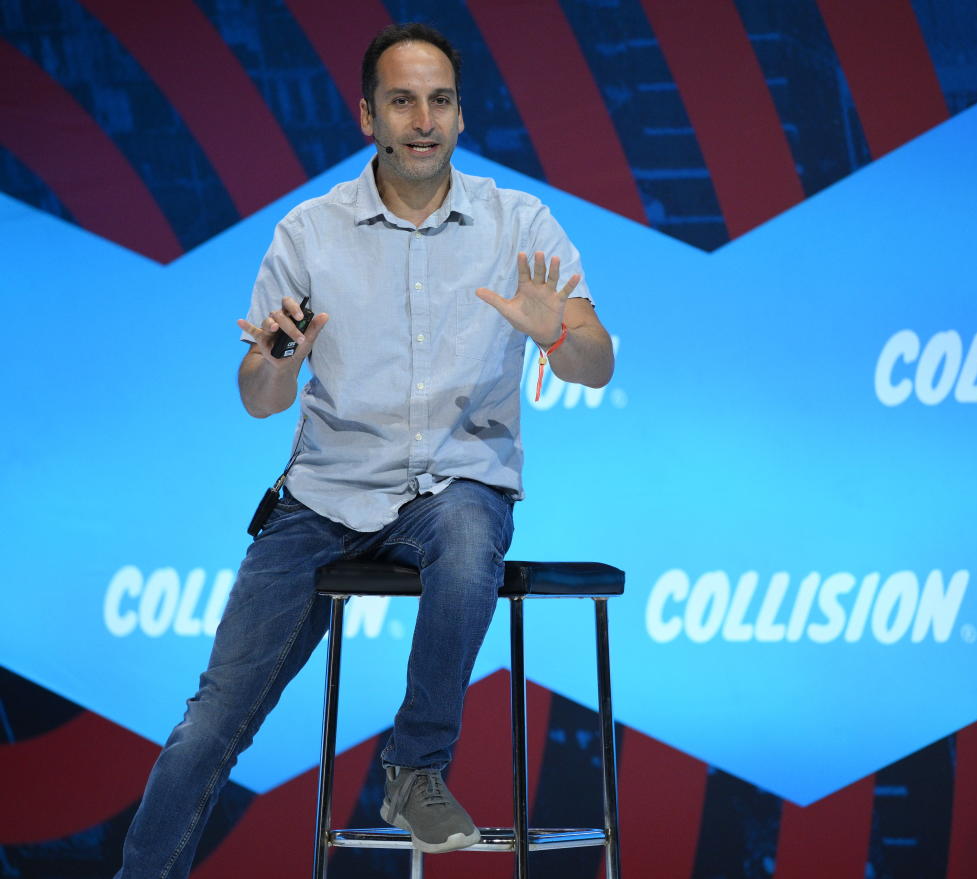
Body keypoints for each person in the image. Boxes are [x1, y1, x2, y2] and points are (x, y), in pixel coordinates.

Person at [114, 21, 614, 878]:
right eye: (402, 101)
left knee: (466, 540)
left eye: (440, 101)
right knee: (209, 721)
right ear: (366, 117)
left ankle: (413, 767)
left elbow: (597, 364)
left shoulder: (518, 222)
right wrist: (278, 360)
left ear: (460, 116)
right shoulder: (310, 232)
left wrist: (558, 334)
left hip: (455, 484)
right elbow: (258, 397)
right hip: (324, 497)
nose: (423, 119)